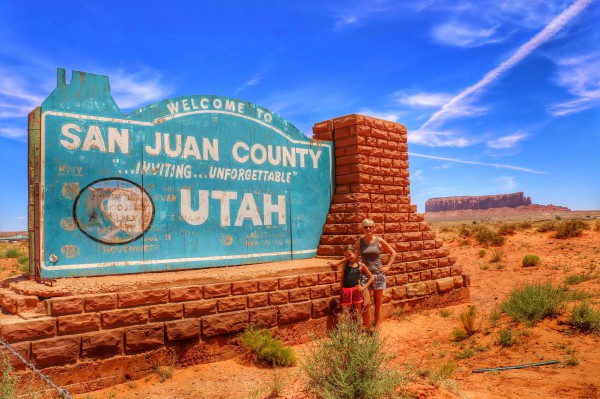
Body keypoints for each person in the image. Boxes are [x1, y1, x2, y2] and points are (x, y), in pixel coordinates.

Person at [356, 218, 397, 332]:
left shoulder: (379, 241)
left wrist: (388, 266)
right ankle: (368, 328)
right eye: (366, 227)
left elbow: (393, 252)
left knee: (378, 303)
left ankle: (377, 328)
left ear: (374, 228)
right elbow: (354, 257)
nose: (368, 229)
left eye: (370, 227)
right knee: (366, 304)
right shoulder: (359, 242)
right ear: (362, 229)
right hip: (365, 276)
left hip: (379, 275)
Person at [335, 244, 374, 329]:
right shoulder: (345, 264)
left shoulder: (361, 265)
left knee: (358, 312)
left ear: (355, 252)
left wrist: (363, 287)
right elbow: (342, 279)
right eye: (346, 256)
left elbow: (372, 277)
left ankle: (359, 335)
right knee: (345, 313)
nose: (348, 257)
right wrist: (341, 292)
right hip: (346, 291)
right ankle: (344, 335)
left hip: (357, 291)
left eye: (350, 255)